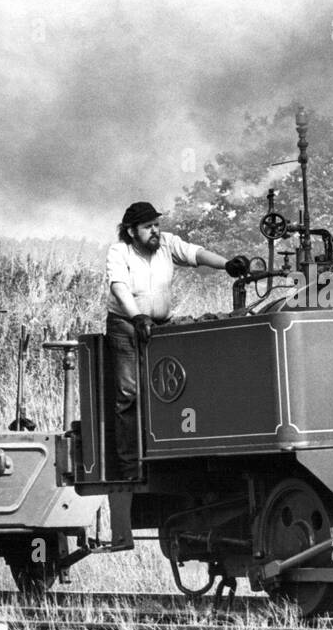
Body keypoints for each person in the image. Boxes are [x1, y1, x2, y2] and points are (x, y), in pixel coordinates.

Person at [107, 201, 249, 479]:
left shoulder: (167, 244)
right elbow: (119, 286)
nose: (155, 231)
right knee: (129, 395)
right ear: (131, 231)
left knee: (169, 392)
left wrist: (228, 264)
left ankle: (167, 457)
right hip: (126, 326)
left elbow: (196, 253)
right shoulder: (119, 251)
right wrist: (136, 316)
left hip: (160, 327)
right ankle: (129, 467)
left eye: (156, 225)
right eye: (148, 227)